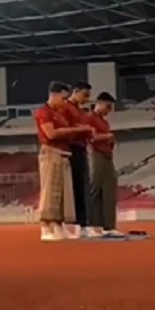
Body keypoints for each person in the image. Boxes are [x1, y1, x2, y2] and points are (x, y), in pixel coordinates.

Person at [34, 81, 92, 242]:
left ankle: (57, 224)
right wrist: (77, 130)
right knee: (49, 191)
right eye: (63, 98)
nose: (65, 102)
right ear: (54, 95)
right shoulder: (43, 111)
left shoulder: (59, 113)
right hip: (51, 152)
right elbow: (51, 134)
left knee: (61, 193)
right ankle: (45, 226)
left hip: (64, 153)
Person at [86, 92, 122, 238]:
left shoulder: (104, 122)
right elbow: (92, 138)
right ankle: (92, 225)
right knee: (95, 189)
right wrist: (108, 136)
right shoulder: (90, 118)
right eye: (107, 106)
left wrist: (110, 140)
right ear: (99, 103)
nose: (109, 110)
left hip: (107, 156)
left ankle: (109, 226)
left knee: (109, 191)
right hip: (96, 154)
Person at [63, 81, 95, 238]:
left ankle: (83, 223)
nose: (87, 99)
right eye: (85, 95)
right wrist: (82, 129)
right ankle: (76, 224)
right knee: (75, 187)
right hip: (71, 148)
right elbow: (64, 129)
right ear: (75, 91)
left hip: (81, 148)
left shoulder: (80, 111)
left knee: (82, 187)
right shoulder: (65, 108)